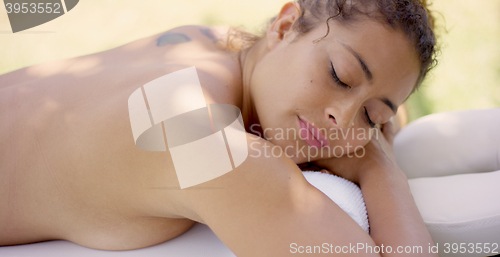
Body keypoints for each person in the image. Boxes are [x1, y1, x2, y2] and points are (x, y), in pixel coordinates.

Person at [0, 0, 439, 256]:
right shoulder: (204, 140)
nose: (342, 120)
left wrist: (371, 136)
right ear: (286, 26)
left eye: (371, 116)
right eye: (340, 76)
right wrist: (378, 164)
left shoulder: (208, 42)